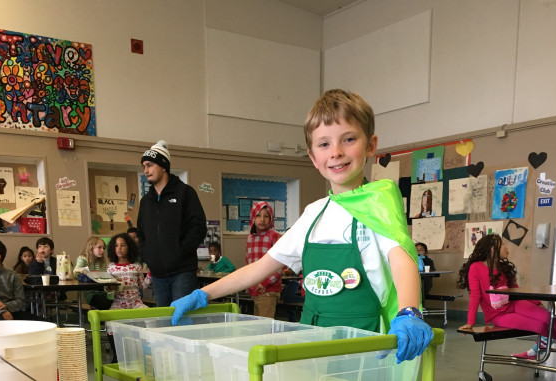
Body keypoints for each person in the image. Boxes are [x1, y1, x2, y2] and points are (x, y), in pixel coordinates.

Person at [170, 89, 433, 364]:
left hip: (365, 342)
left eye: (349, 139)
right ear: (312, 157)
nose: (337, 152)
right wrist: (203, 294)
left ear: (370, 145)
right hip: (313, 340)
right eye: (324, 144)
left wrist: (409, 311)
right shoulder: (313, 215)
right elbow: (260, 268)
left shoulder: (380, 204)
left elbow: (402, 258)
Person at [457, 234, 556, 352]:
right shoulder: (475, 267)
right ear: (492, 248)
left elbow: (517, 290)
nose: (506, 248)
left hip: (515, 304)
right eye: (503, 244)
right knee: (540, 325)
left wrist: (536, 303)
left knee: (548, 317)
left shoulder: (504, 268)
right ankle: (540, 347)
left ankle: (552, 341)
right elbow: (475, 295)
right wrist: (470, 322)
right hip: (498, 315)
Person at [137, 140, 207, 307]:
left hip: (182, 272)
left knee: (181, 319)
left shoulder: (185, 193)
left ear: (163, 166)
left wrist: (180, 251)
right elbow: (141, 233)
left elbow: (198, 227)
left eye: (150, 165)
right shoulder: (146, 201)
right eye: (144, 166)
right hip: (158, 274)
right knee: (163, 321)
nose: (146, 170)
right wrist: (148, 257)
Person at [106, 233, 149, 363]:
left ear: (129, 247)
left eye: (123, 245)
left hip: (135, 302)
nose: (119, 248)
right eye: (116, 246)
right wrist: (109, 288)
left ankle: (145, 352)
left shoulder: (136, 266)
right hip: (118, 302)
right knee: (109, 322)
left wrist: (151, 275)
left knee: (149, 317)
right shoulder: (111, 267)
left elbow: (143, 286)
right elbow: (108, 290)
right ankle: (117, 355)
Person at [245, 201, 282, 318]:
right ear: (252, 217)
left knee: (265, 325)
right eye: (258, 215)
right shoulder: (250, 238)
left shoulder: (274, 236)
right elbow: (248, 263)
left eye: (266, 216)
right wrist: (249, 284)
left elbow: (280, 264)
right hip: (255, 288)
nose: (262, 219)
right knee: (259, 324)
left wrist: (265, 282)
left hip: (269, 289)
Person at [0, 239, 40, 320]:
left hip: (11, 310)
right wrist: (2, 311)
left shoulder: (12, 275)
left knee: (43, 323)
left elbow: (20, 300)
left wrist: (6, 306)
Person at [73, 237, 113, 310]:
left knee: (115, 301)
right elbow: (75, 272)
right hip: (91, 293)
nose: (102, 250)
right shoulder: (83, 259)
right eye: (99, 247)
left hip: (103, 292)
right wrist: (85, 272)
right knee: (106, 303)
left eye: (103, 248)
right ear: (91, 248)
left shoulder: (102, 262)